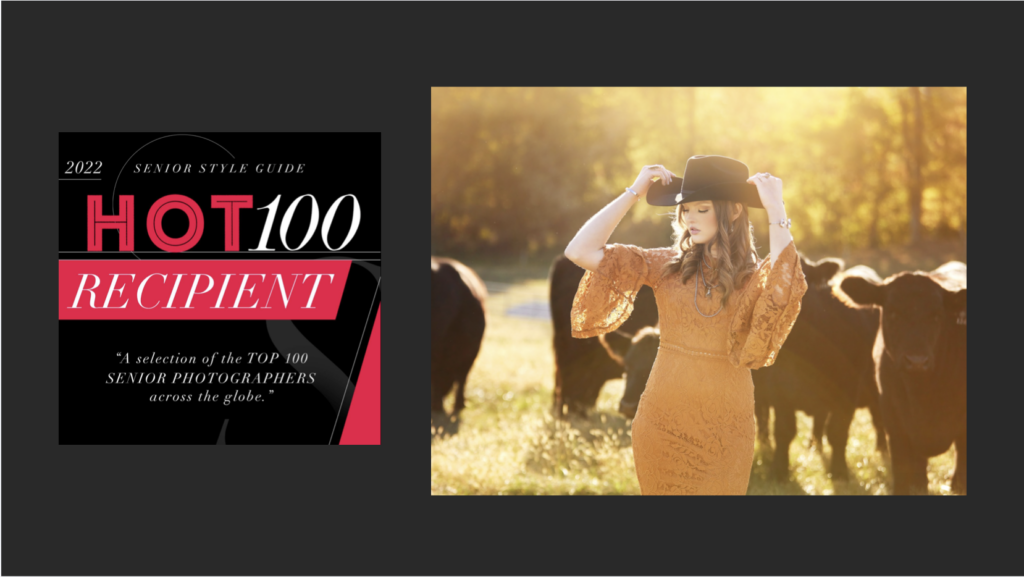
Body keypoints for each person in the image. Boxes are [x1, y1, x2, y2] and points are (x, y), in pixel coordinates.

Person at [563, 155, 808, 495]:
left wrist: (776, 211)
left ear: (734, 211)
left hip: (726, 426)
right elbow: (579, 250)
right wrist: (634, 191)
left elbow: (784, 289)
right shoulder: (666, 265)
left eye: (702, 209)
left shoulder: (753, 278)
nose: (690, 218)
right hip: (661, 422)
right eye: (686, 208)